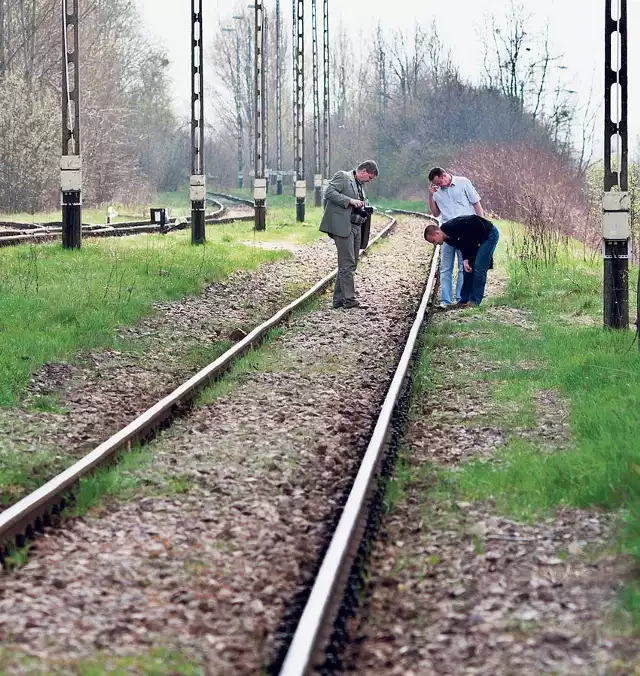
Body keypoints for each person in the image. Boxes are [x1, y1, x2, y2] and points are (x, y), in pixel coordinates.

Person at [320, 160, 378, 309]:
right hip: (343, 226)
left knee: (349, 263)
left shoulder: (360, 185)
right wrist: (350, 201)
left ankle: (339, 300)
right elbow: (329, 193)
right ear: (363, 171)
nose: (369, 181)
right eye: (370, 177)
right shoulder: (343, 176)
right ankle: (349, 299)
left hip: (357, 226)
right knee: (348, 262)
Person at [427, 167, 484, 309]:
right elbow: (435, 213)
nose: (439, 186)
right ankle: (445, 300)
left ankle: (460, 297)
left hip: (465, 231)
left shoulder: (463, 182)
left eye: (439, 182)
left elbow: (476, 203)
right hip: (446, 232)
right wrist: (430, 196)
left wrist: (481, 224)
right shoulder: (437, 192)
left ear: (444, 175)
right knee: (446, 267)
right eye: (436, 184)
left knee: (463, 266)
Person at [423, 214, 499, 307]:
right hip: (476, 241)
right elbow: (463, 245)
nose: (435, 244)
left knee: (479, 268)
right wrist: (466, 259)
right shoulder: (448, 239)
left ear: (437, 233)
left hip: (488, 235)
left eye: (434, 240)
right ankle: (464, 300)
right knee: (468, 268)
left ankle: (475, 301)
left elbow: (473, 222)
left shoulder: (453, 226)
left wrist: (470, 256)